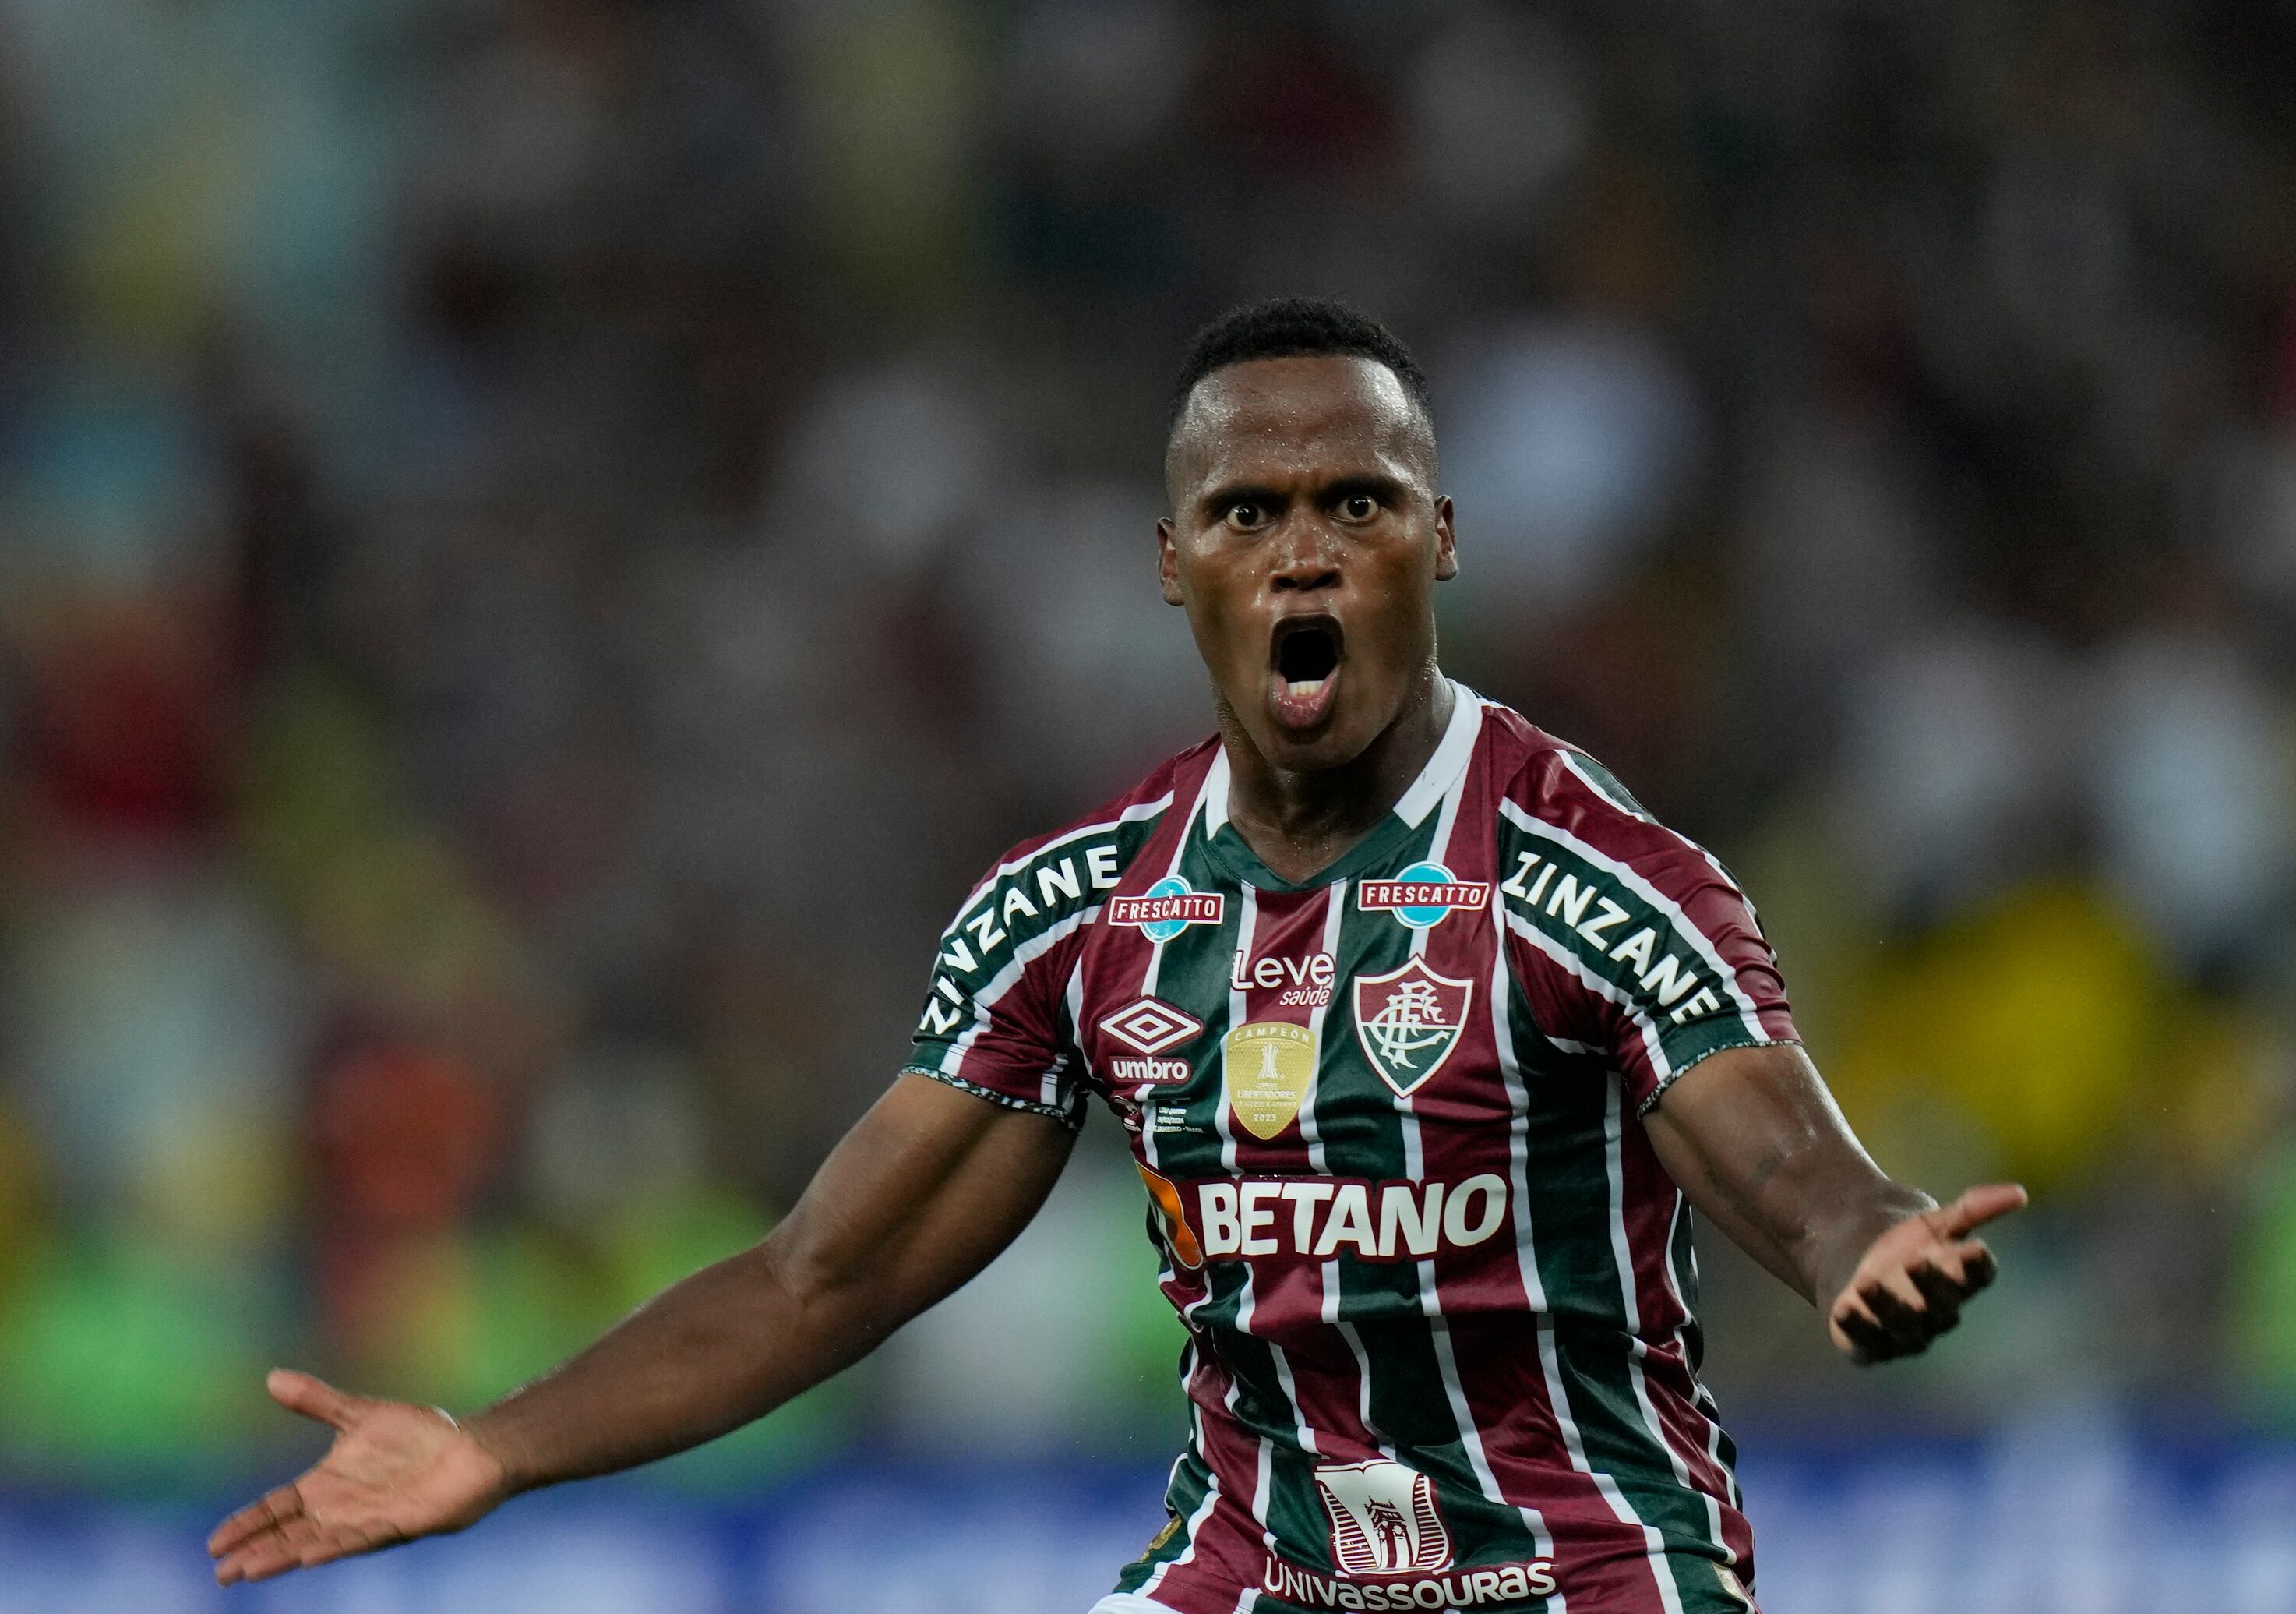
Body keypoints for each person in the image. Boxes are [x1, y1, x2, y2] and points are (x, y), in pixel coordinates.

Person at [208, 298, 2024, 1612]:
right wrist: (492, 1449)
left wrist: (1863, 1239)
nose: (1303, 555)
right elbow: (825, 1273)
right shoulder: (1083, 913)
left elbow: (1775, 1148)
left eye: (1358, 504)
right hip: (1263, 1572)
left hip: (1575, 1569)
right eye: (1249, 513)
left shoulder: (1586, 877)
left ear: (1441, 544)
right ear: (1175, 563)